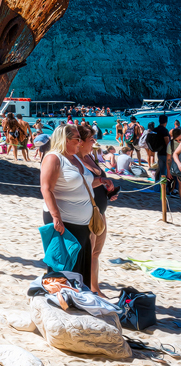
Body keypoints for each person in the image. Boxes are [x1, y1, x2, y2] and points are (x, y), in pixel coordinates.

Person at [40, 124, 94, 287]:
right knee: (64, 264)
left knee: (79, 267)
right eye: (77, 139)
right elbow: (46, 188)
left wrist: (102, 182)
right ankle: (59, 302)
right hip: (64, 221)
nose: (80, 142)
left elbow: (79, 183)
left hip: (82, 223)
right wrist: (56, 217)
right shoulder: (53, 158)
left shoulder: (75, 157)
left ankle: (76, 301)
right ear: (65, 140)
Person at [77, 123, 116, 295]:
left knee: (96, 252)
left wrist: (109, 193)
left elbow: (99, 181)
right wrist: (101, 182)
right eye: (91, 139)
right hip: (88, 211)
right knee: (89, 251)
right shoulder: (76, 160)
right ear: (81, 141)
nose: (94, 142)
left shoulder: (90, 157)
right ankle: (90, 289)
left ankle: (95, 287)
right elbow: (81, 184)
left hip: (100, 210)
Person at [148, 114, 171, 183]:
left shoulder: (155, 129)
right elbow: (167, 143)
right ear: (166, 122)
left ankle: (158, 185)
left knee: (161, 169)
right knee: (165, 171)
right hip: (165, 153)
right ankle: (164, 187)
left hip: (159, 152)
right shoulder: (164, 130)